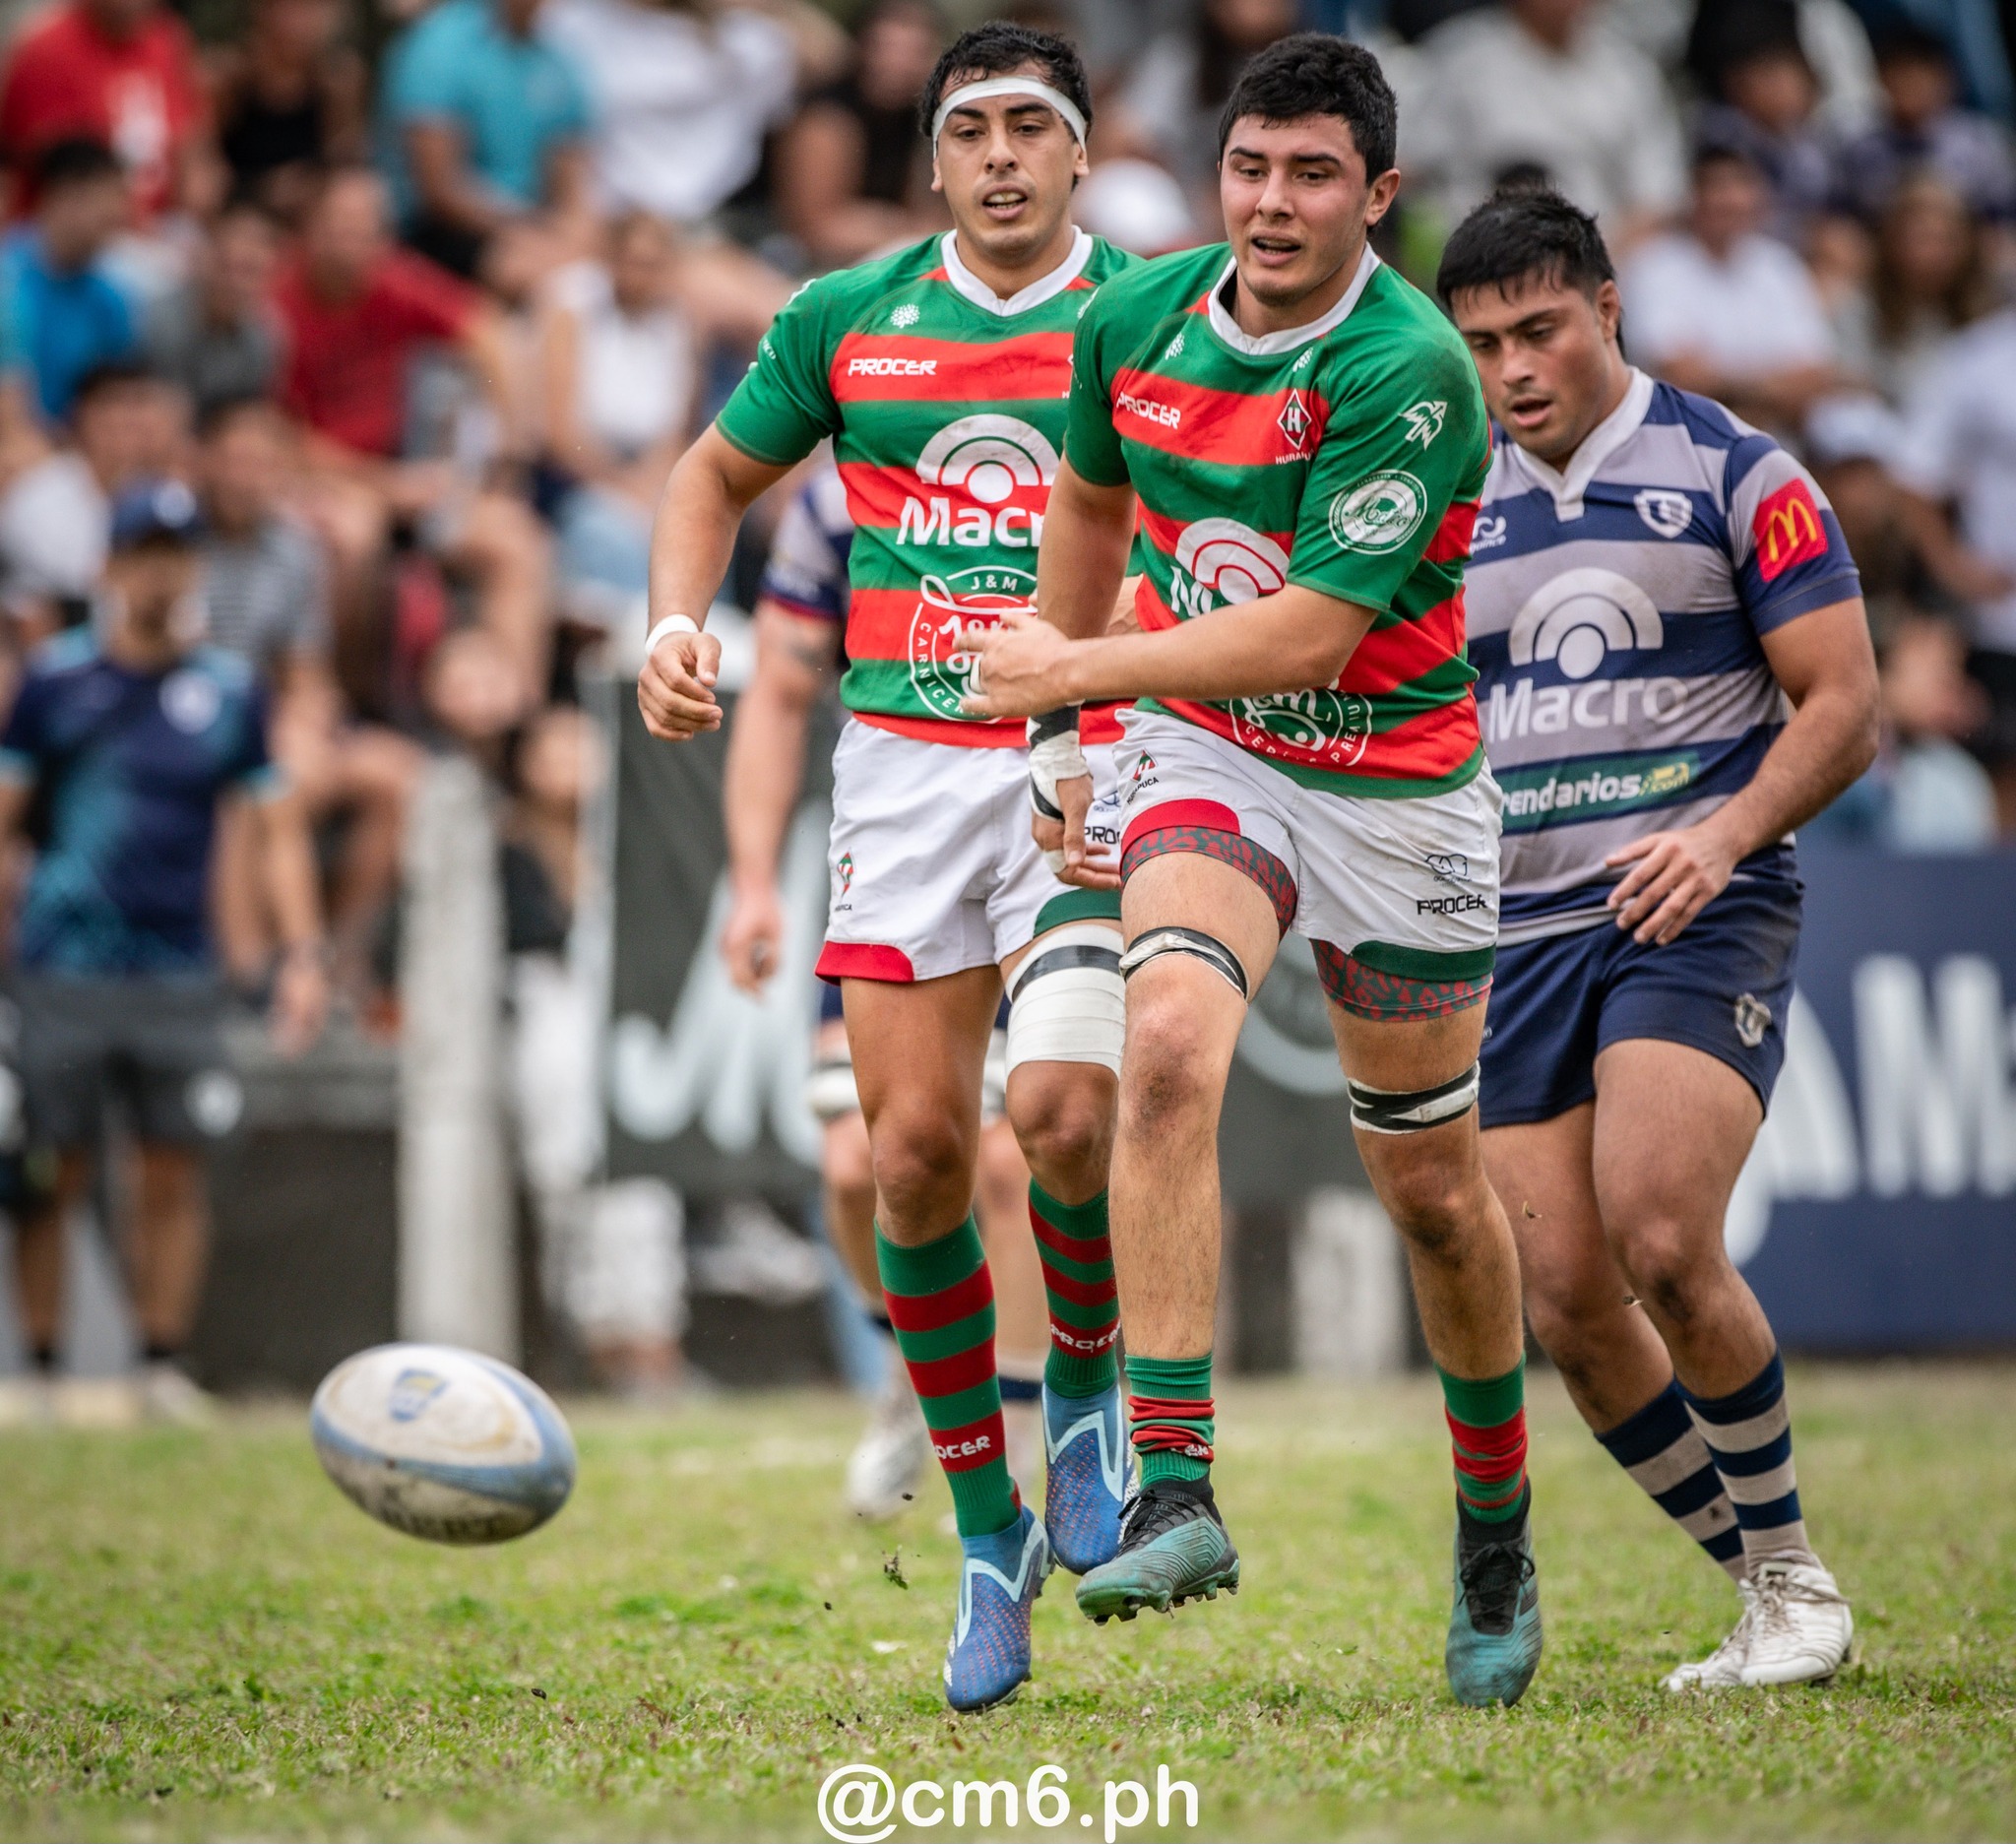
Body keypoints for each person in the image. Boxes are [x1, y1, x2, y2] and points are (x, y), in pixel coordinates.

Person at [963, 33, 1544, 1708]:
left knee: (1433, 1190)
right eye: (1248, 166)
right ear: (1217, 173)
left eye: (1310, 176)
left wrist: (1071, 677)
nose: (1271, 202)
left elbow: (1311, 629)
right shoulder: (1131, 319)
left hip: (1398, 790)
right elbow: (1084, 509)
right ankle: (1177, 1484)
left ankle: (1494, 1524)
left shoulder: (1408, 362)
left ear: (1376, 197)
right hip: (1209, 751)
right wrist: (1066, 745)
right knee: (1160, 1051)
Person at [640, 24, 1136, 1712]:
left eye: (1030, 127)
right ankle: (987, 1534)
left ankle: (1080, 1387)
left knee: (1058, 1116)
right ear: (933, 160)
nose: (1000, 154)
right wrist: (667, 625)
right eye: (971, 128)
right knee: (913, 1155)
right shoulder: (845, 322)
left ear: (1078, 154)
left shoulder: (1151, 316)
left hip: (1084, 755)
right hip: (904, 775)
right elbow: (708, 480)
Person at [1438, 186, 1876, 1688]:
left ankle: (1797, 1577)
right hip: (1510, 932)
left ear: (1608, 309)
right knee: (1564, 1298)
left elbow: (1846, 703)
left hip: (1695, 900)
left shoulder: (1736, 473)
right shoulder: (1445, 501)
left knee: (1665, 1232)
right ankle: (1766, 1584)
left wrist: (1724, 834)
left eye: (1540, 329)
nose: (1514, 368)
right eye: (1484, 342)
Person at [724, 464, 1056, 1517]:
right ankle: (908, 1379)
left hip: (1044, 845)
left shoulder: (1091, 439)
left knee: (1007, 1161)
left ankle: (1016, 1428)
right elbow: (779, 691)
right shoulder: (835, 499)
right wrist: (751, 884)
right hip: (905, 854)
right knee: (855, 1166)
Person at [0, 479, 328, 1423]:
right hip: (62, 961)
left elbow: (276, 830)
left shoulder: (228, 692)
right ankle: (41, 1371)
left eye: (177, 554)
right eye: (144, 552)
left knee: (172, 1169)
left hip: (179, 963)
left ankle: (156, 1364)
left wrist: (301, 952)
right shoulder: (56, 683)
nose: (161, 571)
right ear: (109, 565)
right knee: (50, 1171)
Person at [273, 165, 552, 712]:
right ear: (308, 228)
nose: (352, 243)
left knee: (517, 544)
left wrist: (506, 458)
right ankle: (342, 706)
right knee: (353, 536)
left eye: (366, 229)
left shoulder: (393, 281)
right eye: (338, 226)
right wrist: (385, 485)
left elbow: (492, 333)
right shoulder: (277, 302)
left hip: (412, 480)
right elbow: (276, 438)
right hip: (322, 484)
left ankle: (518, 725)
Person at [540, 0, 848, 226]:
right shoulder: (570, 20)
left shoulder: (736, 36)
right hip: (607, 222)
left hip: (710, 222)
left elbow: (832, 55)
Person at [1408, 0, 1685, 241]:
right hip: (1477, 264)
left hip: (1603, 267)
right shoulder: (1462, 60)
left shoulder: (1629, 72)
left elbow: (1658, 199)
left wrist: (1594, 269)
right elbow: (1407, 167)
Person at [1893, 300, 2016, 829]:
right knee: (1996, 785)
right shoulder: (1980, 357)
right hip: (1998, 624)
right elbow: (1915, 473)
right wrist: (1953, 568)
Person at [1619, 144, 1839, 435]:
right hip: (1681, 433)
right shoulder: (1655, 267)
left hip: (1778, 435)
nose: (1729, 200)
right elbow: (1680, 377)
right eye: (1717, 187)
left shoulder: (1779, 266)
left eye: (1740, 186)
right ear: (1693, 197)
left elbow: (1814, 376)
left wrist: (1733, 384)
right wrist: (1769, 386)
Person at [378, 0, 597, 280]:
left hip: (529, 229)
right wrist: (531, 230)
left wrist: (575, 239)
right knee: (532, 273)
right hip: (438, 233)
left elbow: (572, 186)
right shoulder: (438, 46)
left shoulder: (561, 60)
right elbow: (441, 192)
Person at [0, 0, 210, 223]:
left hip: (163, 225)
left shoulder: (165, 38)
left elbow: (191, 138)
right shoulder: (46, 51)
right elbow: (49, 165)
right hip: (80, 232)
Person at [776, 0, 948, 268]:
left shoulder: (921, 120)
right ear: (862, 48)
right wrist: (904, 228)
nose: (899, 64)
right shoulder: (828, 117)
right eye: (889, 48)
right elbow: (817, 228)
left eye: (915, 52)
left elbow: (929, 212)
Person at [1, 140, 138, 427]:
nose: (118, 214)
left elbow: (112, 398)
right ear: (65, 195)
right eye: (108, 198)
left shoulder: (111, 300)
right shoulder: (9, 278)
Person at [1830, 21, 2016, 227]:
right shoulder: (1861, 149)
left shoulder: (1980, 141)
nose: (1910, 86)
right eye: (1900, 76)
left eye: (1920, 76)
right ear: (1880, 79)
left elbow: (2004, 214)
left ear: (1945, 80)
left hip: (1970, 251)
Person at [210, 0, 370, 224]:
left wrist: (310, 187)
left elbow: (344, 161)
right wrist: (262, 190)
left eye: (308, 10)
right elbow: (208, 171)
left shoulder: (338, 82)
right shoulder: (232, 79)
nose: (297, 24)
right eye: (288, 9)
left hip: (312, 217)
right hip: (242, 216)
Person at [144, 196, 284, 419]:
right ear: (202, 258)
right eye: (226, 267)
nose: (235, 283)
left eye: (249, 272)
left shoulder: (265, 336)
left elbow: (250, 415)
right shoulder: (158, 322)